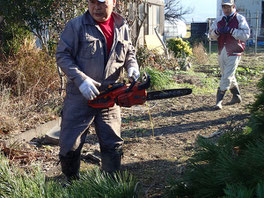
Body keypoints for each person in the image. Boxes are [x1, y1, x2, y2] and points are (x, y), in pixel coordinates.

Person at [56, 0, 140, 181]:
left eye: (101, 3)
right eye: (92, 2)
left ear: (113, 2)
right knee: (70, 144)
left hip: (111, 95)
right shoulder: (76, 25)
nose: (96, 7)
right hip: (80, 95)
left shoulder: (121, 25)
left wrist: (132, 66)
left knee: (112, 143)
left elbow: (129, 52)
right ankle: (71, 181)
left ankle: (109, 183)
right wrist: (81, 79)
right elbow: (62, 55)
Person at [209, 0, 250, 110]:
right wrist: (217, 32)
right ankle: (236, 96)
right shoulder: (219, 20)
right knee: (227, 74)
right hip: (222, 49)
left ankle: (219, 101)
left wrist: (232, 31)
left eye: (228, 7)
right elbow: (211, 34)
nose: (226, 9)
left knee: (226, 76)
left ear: (233, 7)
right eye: (224, 7)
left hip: (235, 50)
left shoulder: (240, 19)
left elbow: (246, 35)